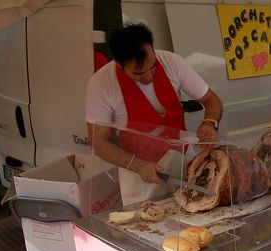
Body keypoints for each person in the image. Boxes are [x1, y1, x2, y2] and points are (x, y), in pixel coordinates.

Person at [85, 23, 223, 205]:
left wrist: (210, 122)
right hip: (138, 172)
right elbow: (98, 141)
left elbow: (212, 100)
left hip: (182, 162)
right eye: (138, 73)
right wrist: (138, 165)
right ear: (119, 64)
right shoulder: (101, 83)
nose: (149, 77)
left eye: (152, 67)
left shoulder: (173, 62)